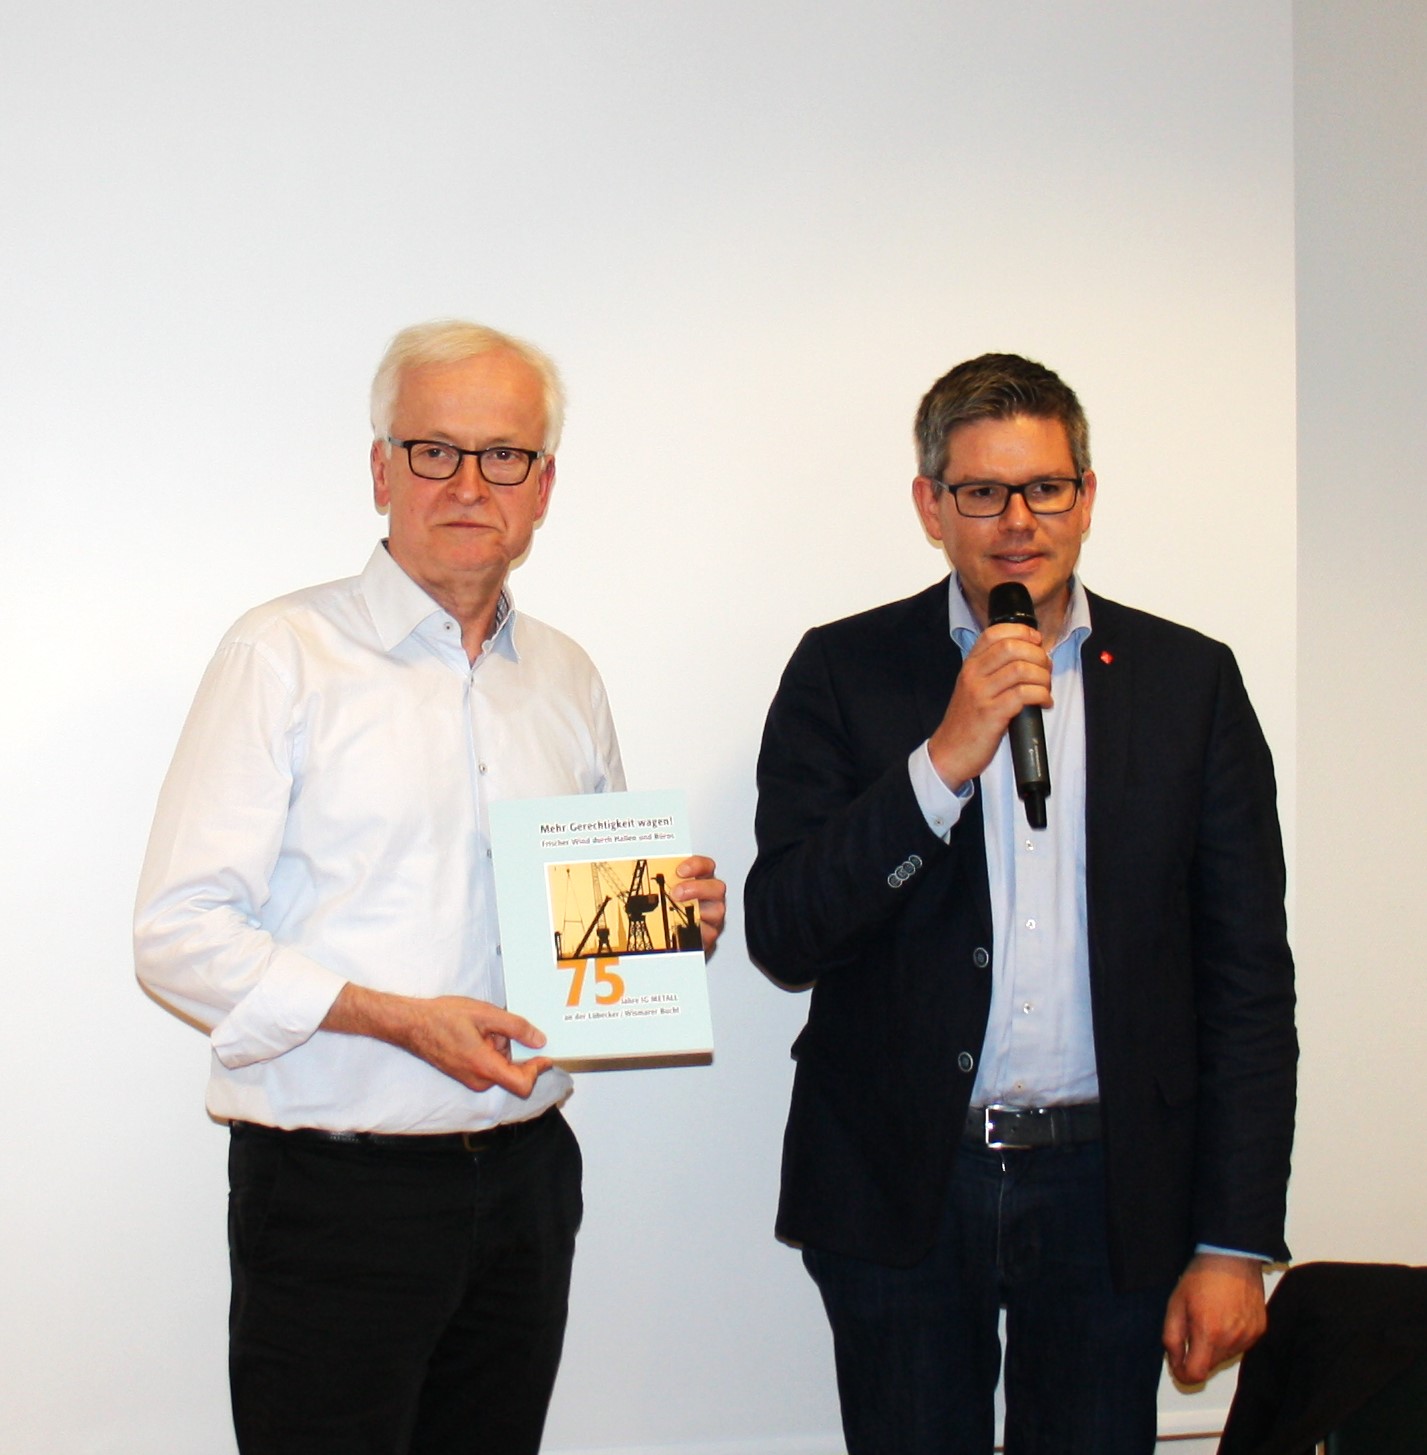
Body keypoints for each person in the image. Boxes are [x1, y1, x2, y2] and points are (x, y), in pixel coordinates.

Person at [134, 320, 726, 1455]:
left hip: (527, 1179)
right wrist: (397, 1020)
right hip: (334, 1199)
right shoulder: (281, 654)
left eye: (503, 455)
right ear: (381, 470)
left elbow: (585, 930)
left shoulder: (566, 676)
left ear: (542, 487)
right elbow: (177, 935)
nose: (467, 484)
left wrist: (671, 927)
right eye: (434, 451)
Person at [743, 353, 1295, 1454]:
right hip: (902, 1181)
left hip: (1114, 1189)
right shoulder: (842, 670)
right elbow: (785, 932)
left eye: (1043, 487)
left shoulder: (1188, 682)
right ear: (929, 506)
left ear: (1084, 496)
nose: (1016, 521)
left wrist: (1233, 1240)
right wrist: (940, 762)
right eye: (982, 491)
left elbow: (1245, 979)